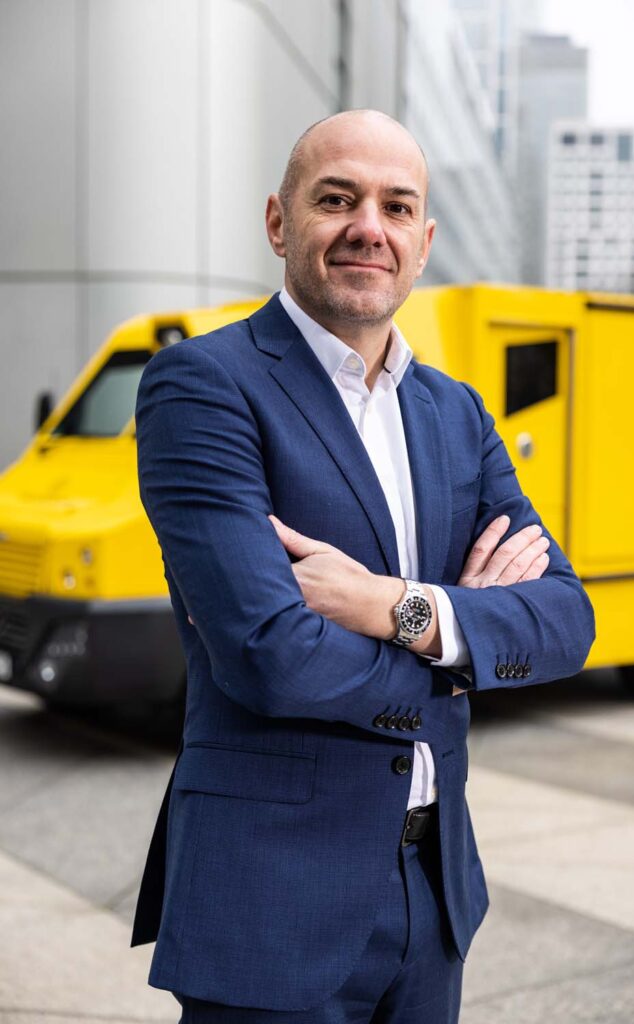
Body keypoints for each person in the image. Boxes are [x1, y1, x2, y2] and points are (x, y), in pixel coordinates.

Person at [131, 109, 595, 1023]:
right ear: (279, 222)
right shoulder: (204, 386)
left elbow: (567, 620)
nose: (367, 228)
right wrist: (460, 657)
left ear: (423, 244)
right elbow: (269, 654)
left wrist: (396, 607)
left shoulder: (455, 413)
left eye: (396, 207)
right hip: (271, 899)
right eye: (336, 199)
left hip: (434, 892)